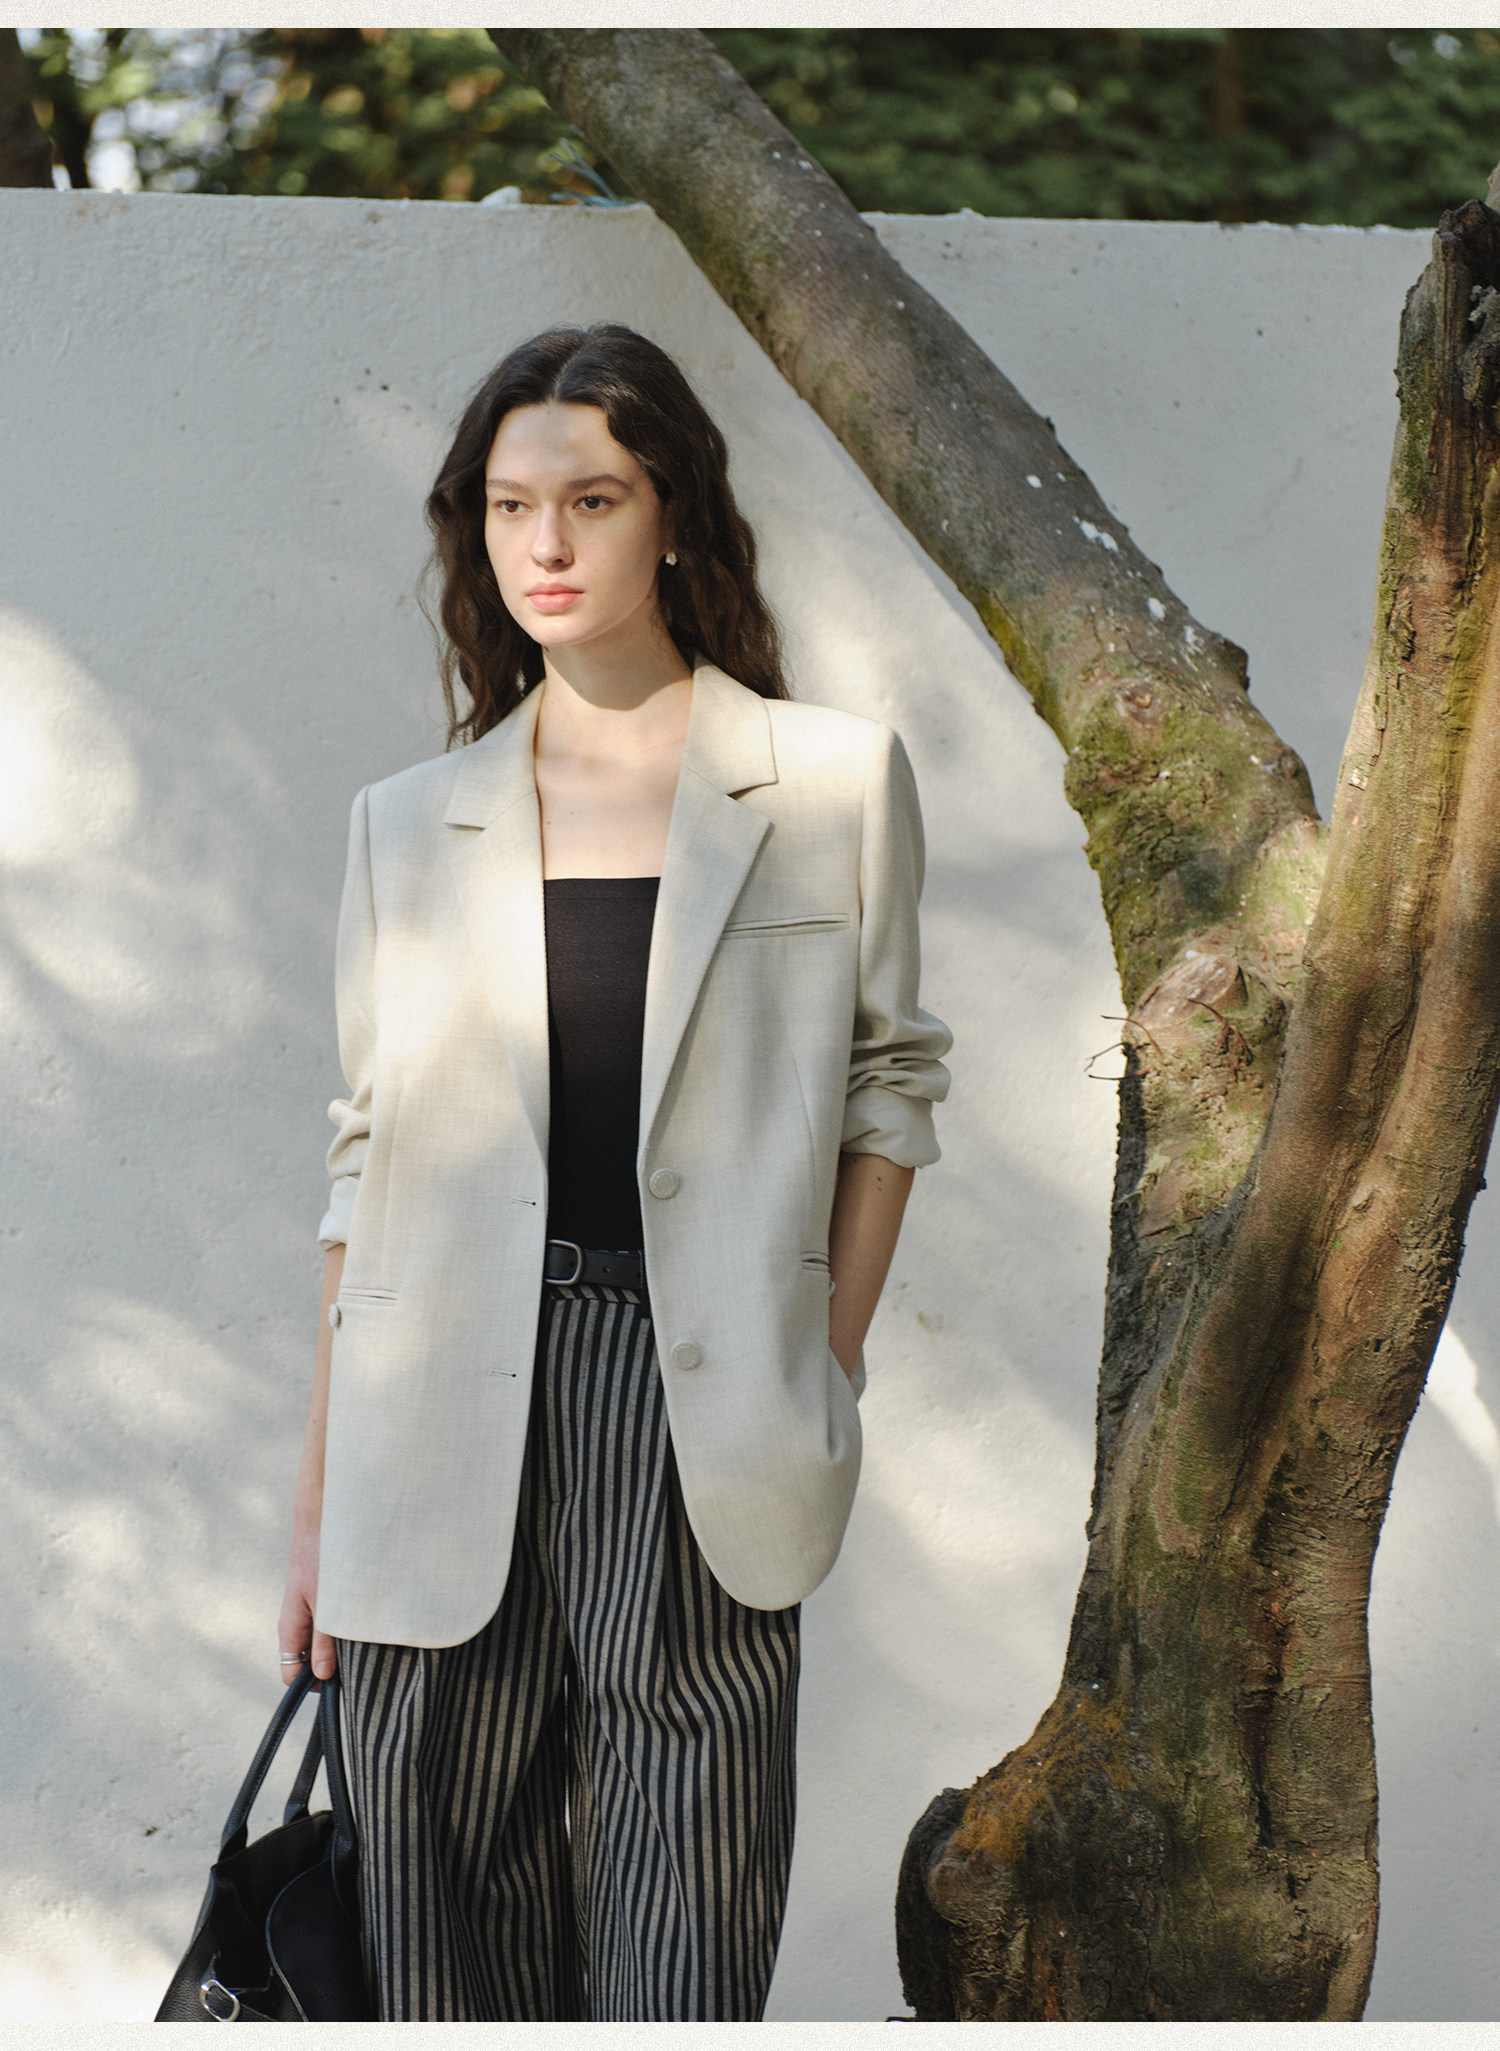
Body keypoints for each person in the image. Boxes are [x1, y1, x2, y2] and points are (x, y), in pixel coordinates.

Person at [277, 323, 952, 2023]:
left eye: (592, 498)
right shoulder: (404, 823)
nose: (547, 545)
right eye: (511, 507)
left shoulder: (827, 783)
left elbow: (888, 1085)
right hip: (438, 1411)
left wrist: (823, 1354)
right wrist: (317, 1503)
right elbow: (365, 1165)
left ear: (674, 512)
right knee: (439, 1903)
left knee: (686, 1911)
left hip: (698, 1394)